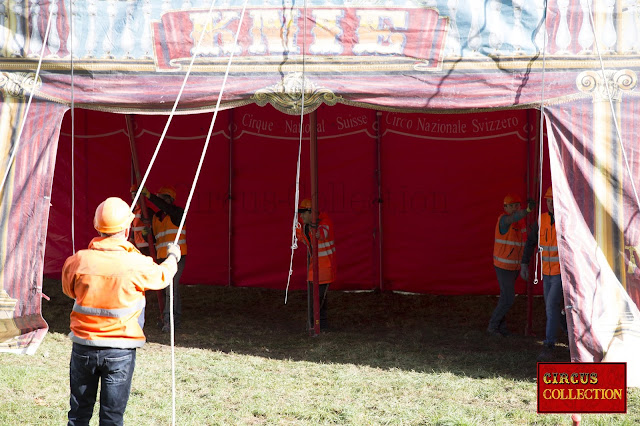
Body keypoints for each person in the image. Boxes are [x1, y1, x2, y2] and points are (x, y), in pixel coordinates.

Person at [62, 197, 181, 426]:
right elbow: (163, 276)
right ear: (127, 229)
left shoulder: (77, 261)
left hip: (83, 347)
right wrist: (173, 257)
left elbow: (70, 291)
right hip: (120, 352)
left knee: (78, 415)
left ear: (97, 227)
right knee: (112, 418)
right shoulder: (138, 263)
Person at [520, 186, 567, 361]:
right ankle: (569, 334)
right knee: (554, 308)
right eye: (548, 201)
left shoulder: (566, 220)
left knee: (551, 306)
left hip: (560, 273)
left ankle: (549, 344)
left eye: (553, 201)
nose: (550, 204)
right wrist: (524, 263)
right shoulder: (542, 219)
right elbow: (531, 241)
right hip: (546, 273)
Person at [141, 185, 187, 333]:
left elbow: (168, 209)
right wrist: (145, 234)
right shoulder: (156, 218)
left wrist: (150, 196)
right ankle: (170, 318)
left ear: (170, 200)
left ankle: (170, 321)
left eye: (162, 198)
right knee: (166, 289)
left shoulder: (178, 213)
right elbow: (155, 238)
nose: (160, 201)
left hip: (177, 256)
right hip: (161, 257)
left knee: (171, 289)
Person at [488, 193, 535, 337]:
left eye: (517, 205)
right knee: (508, 298)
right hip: (503, 266)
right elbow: (513, 218)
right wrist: (527, 211)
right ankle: (493, 326)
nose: (515, 208)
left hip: (513, 267)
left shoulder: (520, 223)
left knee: (505, 298)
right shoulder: (504, 219)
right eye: (512, 205)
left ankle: (500, 327)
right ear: (505, 207)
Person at [296, 198, 336, 331]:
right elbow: (304, 239)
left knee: (319, 299)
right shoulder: (306, 226)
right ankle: (318, 325)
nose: (300, 215)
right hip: (315, 268)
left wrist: (316, 231)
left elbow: (323, 232)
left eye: (303, 212)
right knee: (318, 299)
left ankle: (317, 325)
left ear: (311, 212)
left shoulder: (325, 222)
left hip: (325, 268)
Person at [129, 185, 152, 256]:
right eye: (133, 194)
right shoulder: (134, 211)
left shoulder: (147, 211)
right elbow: (134, 230)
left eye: (136, 194)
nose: (135, 197)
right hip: (138, 247)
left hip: (148, 247)